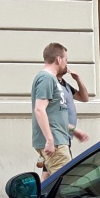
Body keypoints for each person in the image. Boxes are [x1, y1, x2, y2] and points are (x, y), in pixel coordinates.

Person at [31, 43, 74, 180]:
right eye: (66, 60)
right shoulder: (47, 78)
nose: (66, 64)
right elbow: (39, 109)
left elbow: (53, 112)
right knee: (65, 184)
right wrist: (50, 140)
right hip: (56, 142)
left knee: (51, 183)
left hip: (58, 139)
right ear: (59, 59)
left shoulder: (51, 79)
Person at [58, 69, 91, 150]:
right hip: (58, 137)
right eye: (65, 60)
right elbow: (54, 116)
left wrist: (78, 79)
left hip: (67, 136)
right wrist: (74, 130)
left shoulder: (66, 85)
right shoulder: (54, 85)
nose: (66, 65)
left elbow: (85, 98)